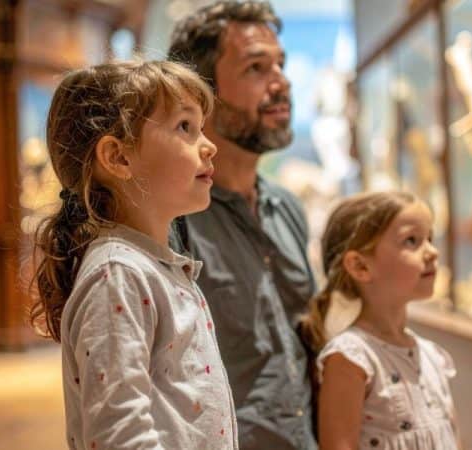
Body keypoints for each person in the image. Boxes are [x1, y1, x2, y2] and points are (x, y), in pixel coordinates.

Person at [29, 60, 238, 450]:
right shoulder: (118, 274)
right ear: (119, 158)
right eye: (185, 127)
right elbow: (120, 435)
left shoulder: (148, 267)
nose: (209, 145)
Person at [168, 2, 317, 449]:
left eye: (281, 65)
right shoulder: (173, 218)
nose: (282, 83)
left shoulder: (287, 207)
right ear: (202, 93)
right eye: (256, 68)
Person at [301, 192, 472, 450]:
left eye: (430, 239)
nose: (433, 252)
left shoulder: (431, 356)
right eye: (412, 241)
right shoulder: (352, 359)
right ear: (360, 266)